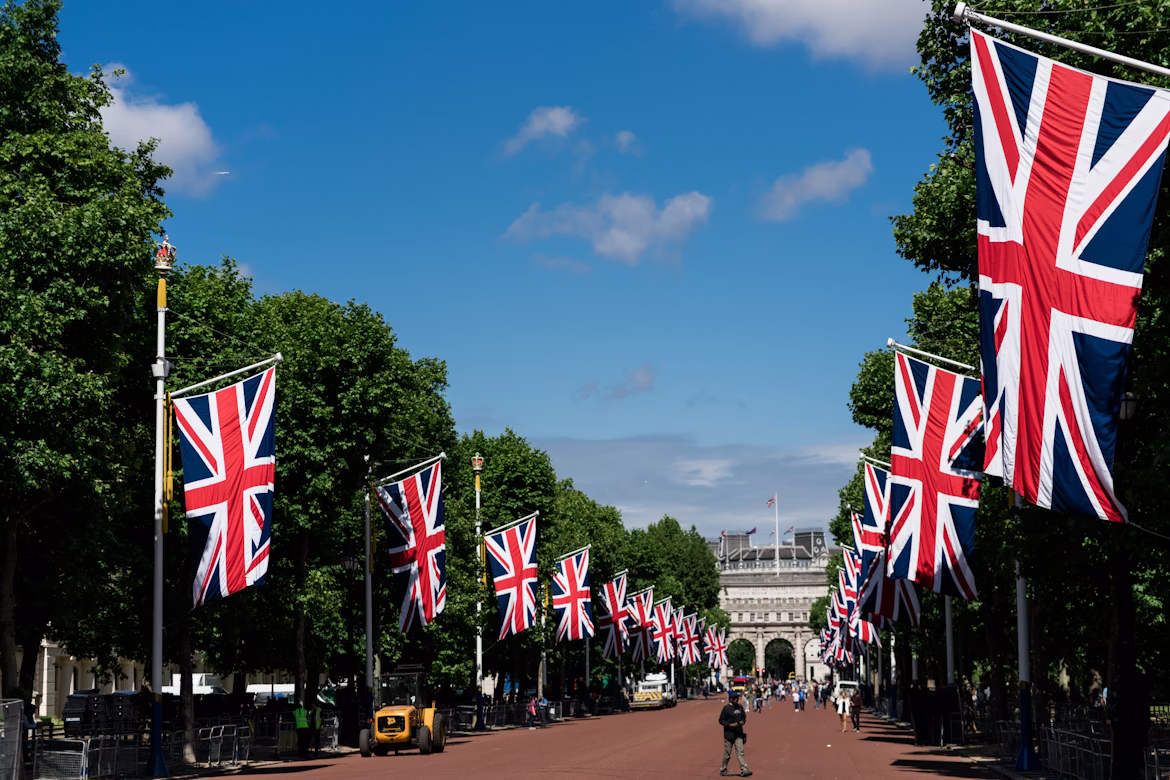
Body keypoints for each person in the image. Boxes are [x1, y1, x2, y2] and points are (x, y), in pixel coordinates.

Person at [718, 690, 752, 777]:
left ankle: (744, 769)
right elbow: (721, 720)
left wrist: (742, 722)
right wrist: (730, 725)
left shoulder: (740, 707)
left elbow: (744, 718)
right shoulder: (726, 709)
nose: (736, 700)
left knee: (740, 752)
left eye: (737, 698)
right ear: (730, 699)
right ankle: (723, 769)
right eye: (734, 698)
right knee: (727, 754)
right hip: (729, 735)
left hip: (739, 734)